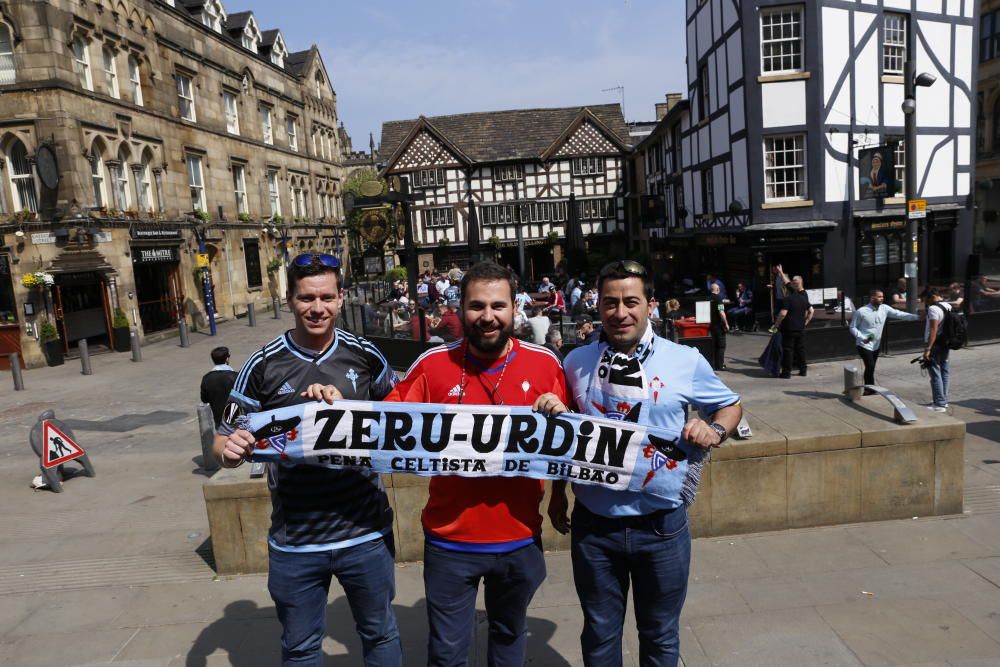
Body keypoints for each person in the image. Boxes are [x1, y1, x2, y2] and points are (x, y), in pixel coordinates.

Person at [548, 259, 742, 666]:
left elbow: (729, 407)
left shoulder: (684, 359)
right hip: (594, 528)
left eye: (631, 301)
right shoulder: (575, 361)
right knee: (599, 637)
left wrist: (715, 430)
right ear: (597, 306)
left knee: (660, 637)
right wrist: (556, 495)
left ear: (650, 304)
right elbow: (565, 439)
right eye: (610, 302)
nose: (621, 313)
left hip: (662, 527)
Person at [213, 253, 401, 666]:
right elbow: (224, 440)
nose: (317, 308)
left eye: (327, 297)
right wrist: (229, 453)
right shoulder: (261, 364)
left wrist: (348, 410)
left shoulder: (365, 355)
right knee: (300, 648)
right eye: (306, 298)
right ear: (289, 299)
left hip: (365, 532)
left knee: (380, 634)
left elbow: (403, 416)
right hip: (296, 540)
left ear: (341, 298)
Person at [385, 261, 568, 667]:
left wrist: (560, 418)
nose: (488, 317)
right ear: (460, 308)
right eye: (477, 306)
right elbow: (380, 426)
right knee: (447, 655)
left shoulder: (545, 363)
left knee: (509, 642)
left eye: (498, 306)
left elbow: (571, 447)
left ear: (514, 309)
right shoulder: (432, 365)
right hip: (450, 542)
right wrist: (328, 408)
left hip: (519, 538)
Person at [849, 289, 918, 392]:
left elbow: (899, 314)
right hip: (864, 345)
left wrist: (916, 317)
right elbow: (852, 327)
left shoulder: (884, 308)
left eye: (882, 296)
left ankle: (869, 387)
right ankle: (869, 389)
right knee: (870, 366)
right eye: (879, 296)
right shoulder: (861, 311)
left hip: (876, 345)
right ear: (872, 297)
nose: (882, 298)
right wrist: (862, 338)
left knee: (871, 367)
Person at [772, 275, 813, 378]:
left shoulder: (787, 299)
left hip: (789, 328)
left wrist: (775, 325)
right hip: (800, 328)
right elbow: (811, 311)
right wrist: (806, 322)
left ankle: (786, 372)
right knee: (800, 349)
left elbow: (782, 314)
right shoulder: (803, 298)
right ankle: (803, 370)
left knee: (788, 349)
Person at [923, 288, 952, 412]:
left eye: (928, 299)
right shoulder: (948, 305)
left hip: (935, 344)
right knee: (944, 371)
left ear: (934, 296)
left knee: (935, 373)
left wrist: (928, 349)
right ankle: (943, 400)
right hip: (946, 342)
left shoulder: (933, 309)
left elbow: (933, 330)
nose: (927, 302)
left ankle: (939, 404)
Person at [200, 346, 237, 428]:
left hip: (219, 419)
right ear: (227, 359)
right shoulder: (235, 376)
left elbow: (204, 399)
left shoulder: (207, 378)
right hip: (236, 417)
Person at [708, 283, 729, 371]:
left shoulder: (708, 298)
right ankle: (720, 365)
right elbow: (721, 312)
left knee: (713, 345)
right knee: (721, 346)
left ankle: (713, 364)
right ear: (718, 289)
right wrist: (726, 323)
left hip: (710, 325)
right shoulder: (719, 299)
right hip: (719, 325)